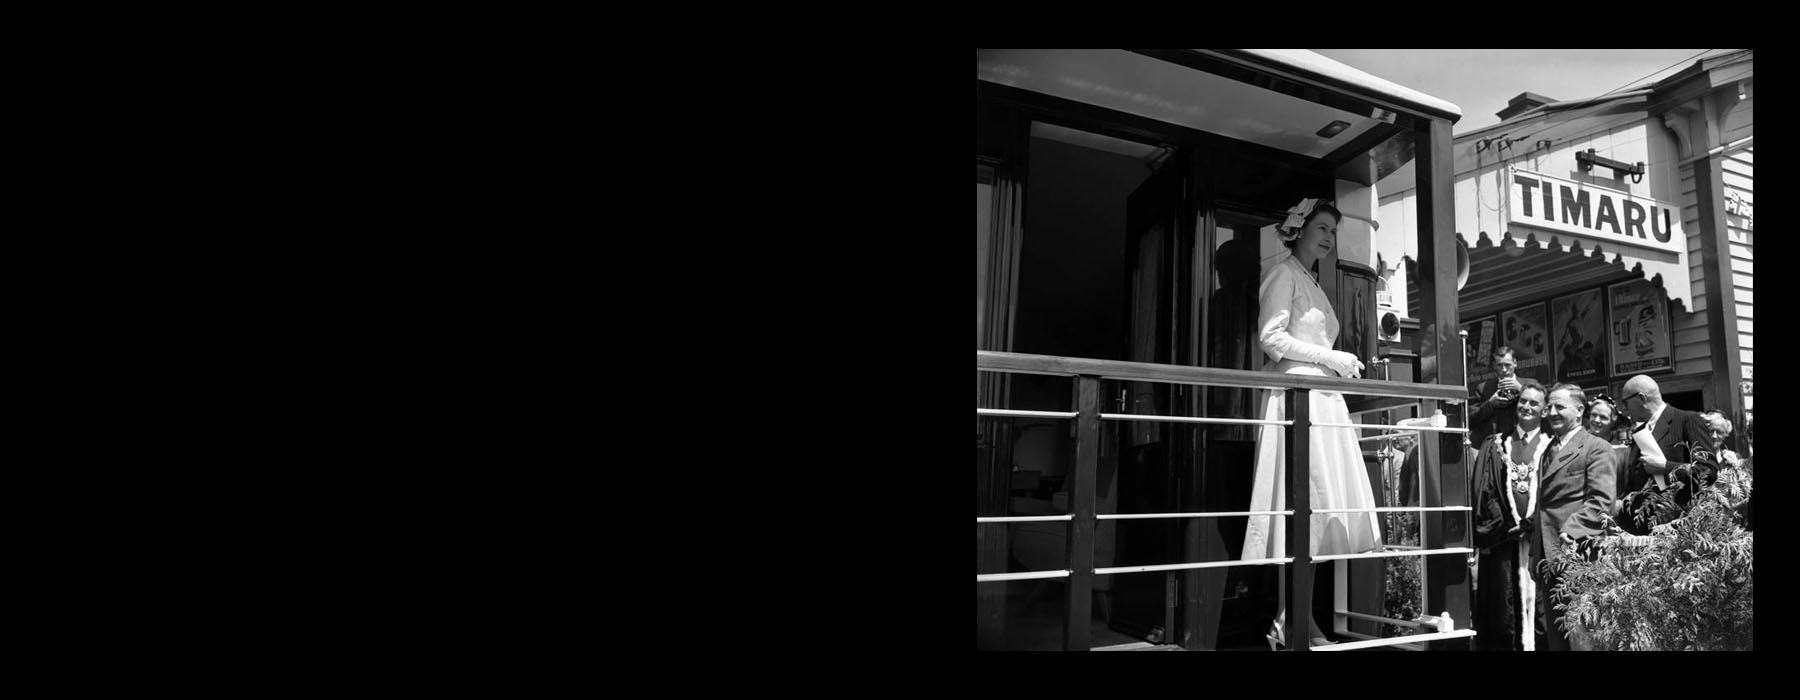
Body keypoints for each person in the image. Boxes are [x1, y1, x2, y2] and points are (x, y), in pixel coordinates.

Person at [1239, 198, 1378, 650]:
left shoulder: (1311, 281)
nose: (1328, 237)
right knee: (1302, 503)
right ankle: (1294, 620)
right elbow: (1271, 336)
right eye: (1321, 227)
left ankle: (1296, 618)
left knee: (1317, 510)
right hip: (1299, 398)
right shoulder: (1283, 275)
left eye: (1333, 231)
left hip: (1321, 400)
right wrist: (1331, 357)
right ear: (1298, 230)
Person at [1530, 383, 1617, 651]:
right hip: (1548, 554)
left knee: (1585, 637)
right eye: (1549, 407)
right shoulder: (1548, 450)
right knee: (1556, 637)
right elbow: (1543, 505)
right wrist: (1536, 553)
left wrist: (1573, 529)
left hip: (1579, 554)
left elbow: (1602, 501)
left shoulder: (1596, 448)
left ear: (1579, 412)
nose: (1552, 412)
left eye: (1560, 407)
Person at [1470, 378, 1549, 650]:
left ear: (1544, 409)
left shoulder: (1552, 445)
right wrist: (1505, 526)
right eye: (1523, 401)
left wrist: (1534, 524)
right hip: (1504, 543)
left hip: (1541, 542)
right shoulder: (1495, 445)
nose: (1526, 406)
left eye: (1533, 403)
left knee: (1543, 614)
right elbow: (1484, 492)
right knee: (1502, 615)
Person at [1614, 374, 1718, 534]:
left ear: (1641, 398)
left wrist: (1665, 467)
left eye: (1625, 402)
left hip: (1675, 527)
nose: (1624, 409)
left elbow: (1708, 471)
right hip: (1638, 529)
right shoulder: (1640, 432)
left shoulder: (1687, 420)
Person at [1467, 347, 1522, 446]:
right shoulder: (1483, 388)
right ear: (1494, 366)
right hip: (1493, 447)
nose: (1504, 370)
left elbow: (1543, 408)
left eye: (1507, 365)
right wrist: (1490, 404)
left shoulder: (1529, 384)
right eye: (1500, 365)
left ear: (1515, 363)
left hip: (1521, 443)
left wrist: (1521, 389)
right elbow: (1470, 421)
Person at [1700, 410, 1751, 506]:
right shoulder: (1696, 459)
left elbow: (1743, 489)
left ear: (1725, 434)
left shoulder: (1733, 460)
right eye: (1711, 431)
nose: (1714, 436)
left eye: (1719, 432)